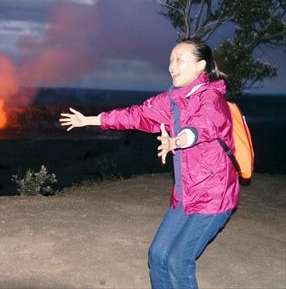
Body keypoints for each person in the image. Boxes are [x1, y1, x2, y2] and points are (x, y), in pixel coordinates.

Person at [59, 38, 238, 288]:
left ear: (201, 66)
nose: (171, 66)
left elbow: (205, 125)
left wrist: (178, 140)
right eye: (170, 60)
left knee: (178, 260)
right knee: (157, 255)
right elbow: (136, 115)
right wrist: (91, 119)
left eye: (179, 60)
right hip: (186, 193)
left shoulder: (212, 98)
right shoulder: (174, 100)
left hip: (215, 196)